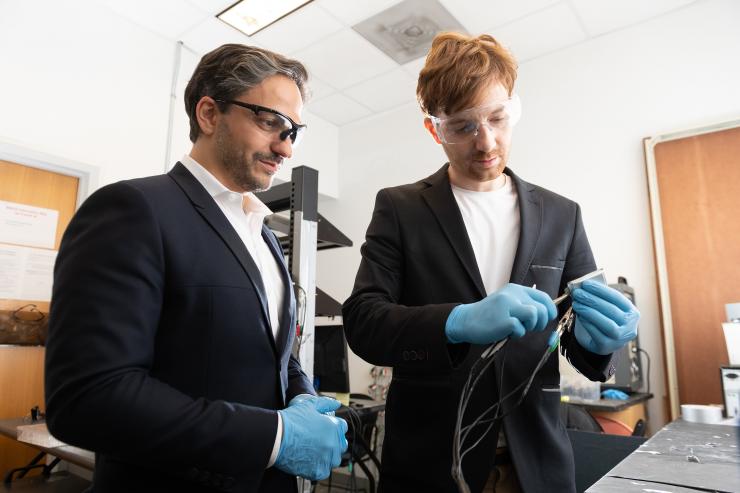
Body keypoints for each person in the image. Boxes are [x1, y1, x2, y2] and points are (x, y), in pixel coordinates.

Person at [342, 32, 639, 493]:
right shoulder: (400, 209)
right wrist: (455, 322)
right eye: (462, 126)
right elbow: (363, 322)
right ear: (433, 128)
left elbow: (587, 345)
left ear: (512, 110)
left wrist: (601, 340)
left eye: (498, 118)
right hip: (431, 463)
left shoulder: (562, 215)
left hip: (535, 463)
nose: (486, 142)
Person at [45, 44, 348, 493]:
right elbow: (88, 398)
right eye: (271, 122)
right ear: (209, 114)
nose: (285, 146)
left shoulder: (263, 234)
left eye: (293, 131)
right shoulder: (134, 209)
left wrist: (303, 397)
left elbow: (273, 357)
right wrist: (275, 437)